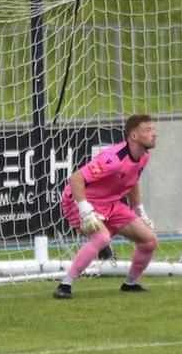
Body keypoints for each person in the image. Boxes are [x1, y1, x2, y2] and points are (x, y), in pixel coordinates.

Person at [53, 115, 159, 299]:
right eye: (148, 130)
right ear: (134, 136)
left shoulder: (144, 157)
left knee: (149, 241)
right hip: (78, 201)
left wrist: (139, 210)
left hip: (110, 204)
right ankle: (65, 285)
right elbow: (75, 179)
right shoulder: (113, 159)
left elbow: (132, 180)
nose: (154, 134)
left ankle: (130, 283)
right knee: (102, 238)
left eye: (153, 129)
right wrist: (85, 209)